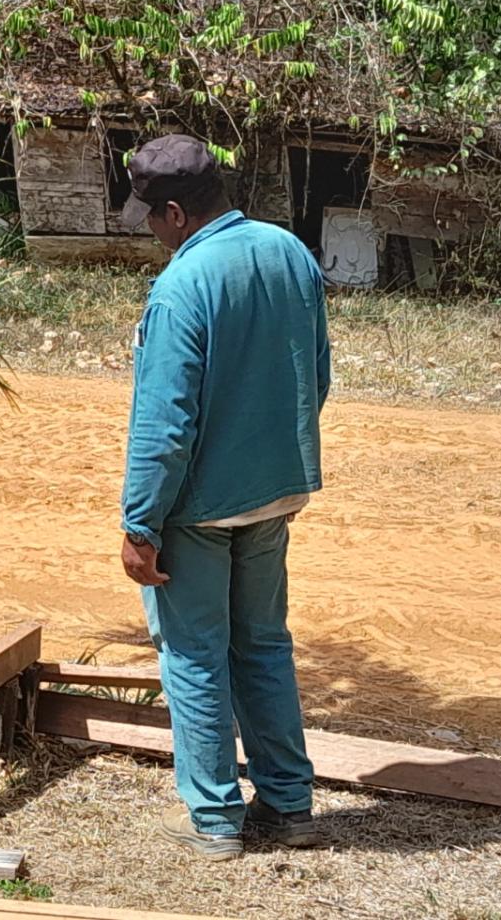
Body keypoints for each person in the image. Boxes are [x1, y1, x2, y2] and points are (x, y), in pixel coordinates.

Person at [117, 135, 331, 860]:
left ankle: (214, 820)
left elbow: (164, 424)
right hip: (277, 492)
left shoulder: (183, 285)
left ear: (175, 212)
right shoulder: (289, 253)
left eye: (149, 217)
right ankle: (289, 806)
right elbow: (317, 376)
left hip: (200, 510)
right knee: (265, 644)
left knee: (195, 654)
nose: (148, 231)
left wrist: (140, 525)